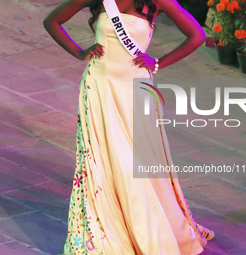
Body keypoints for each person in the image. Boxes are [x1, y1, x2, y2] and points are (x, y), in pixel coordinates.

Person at [43, 0, 215, 254]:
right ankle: (111, 231)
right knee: (104, 159)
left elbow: (197, 35)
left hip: (136, 89)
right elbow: (52, 21)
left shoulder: (160, 1)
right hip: (99, 85)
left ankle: (149, 230)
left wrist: (158, 63)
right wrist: (78, 52)